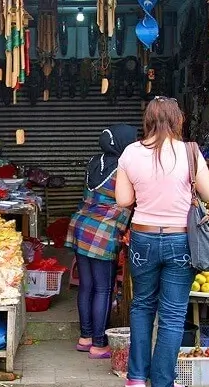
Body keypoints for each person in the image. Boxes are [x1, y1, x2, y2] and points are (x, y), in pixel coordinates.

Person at [115, 97, 209, 387]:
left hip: (143, 239)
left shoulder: (130, 152)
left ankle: (136, 376)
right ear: (178, 120)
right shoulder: (190, 152)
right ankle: (162, 386)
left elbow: (123, 200)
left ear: (147, 120)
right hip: (180, 240)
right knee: (172, 315)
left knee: (142, 305)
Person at [66, 124, 137, 359]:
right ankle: (99, 344)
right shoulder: (124, 167)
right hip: (103, 232)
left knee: (86, 285)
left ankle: (85, 338)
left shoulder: (94, 161)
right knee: (104, 289)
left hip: (81, 225)